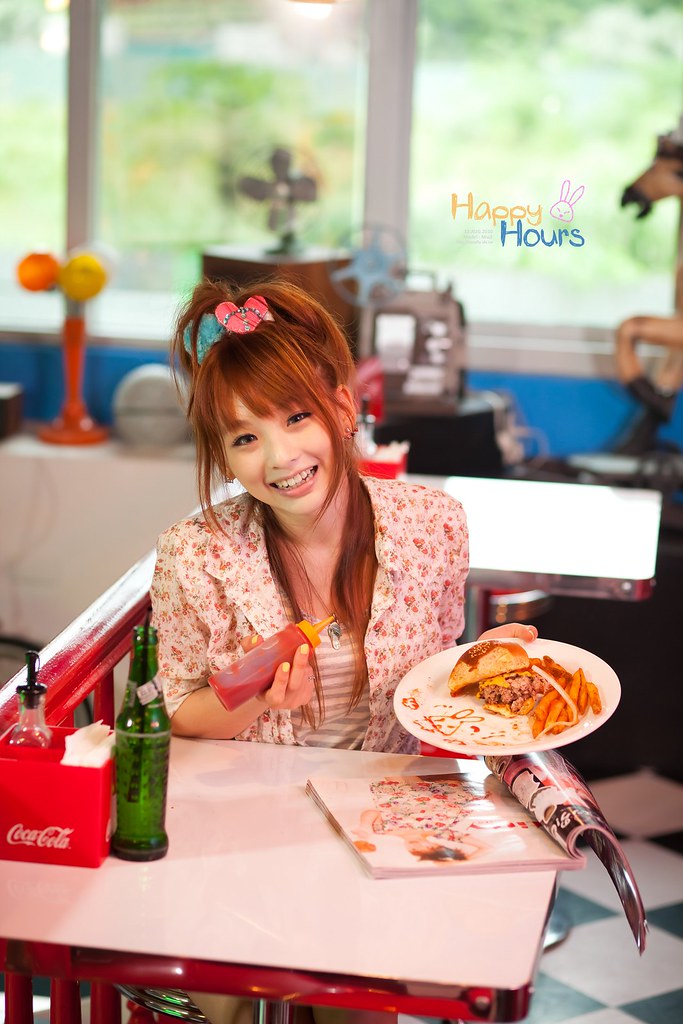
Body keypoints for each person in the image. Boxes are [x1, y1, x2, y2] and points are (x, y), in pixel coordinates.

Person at [149, 278, 537, 1024]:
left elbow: (434, 673)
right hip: (243, 824)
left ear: (342, 407)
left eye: (296, 417)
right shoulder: (194, 554)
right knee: (225, 999)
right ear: (223, 457)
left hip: (385, 819)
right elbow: (178, 714)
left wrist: (484, 660)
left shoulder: (432, 525)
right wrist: (257, 699)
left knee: (363, 1002)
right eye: (245, 437)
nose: (279, 456)